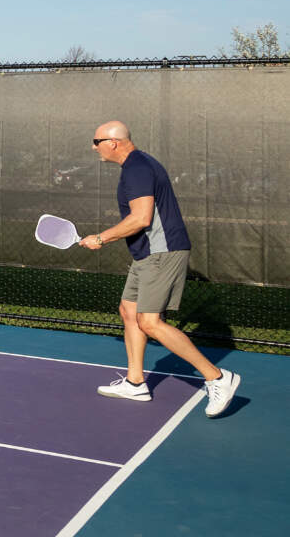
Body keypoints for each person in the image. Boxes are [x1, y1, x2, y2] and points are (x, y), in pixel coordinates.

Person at [80, 121, 240, 417]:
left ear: (113, 142)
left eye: (96, 140)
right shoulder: (136, 166)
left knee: (150, 322)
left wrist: (101, 238)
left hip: (162, 253)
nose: (93, 146)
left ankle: (217, 377)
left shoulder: (137, 168)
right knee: (129, 312)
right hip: (146, 254)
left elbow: (141, 218)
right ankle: (135, 382)